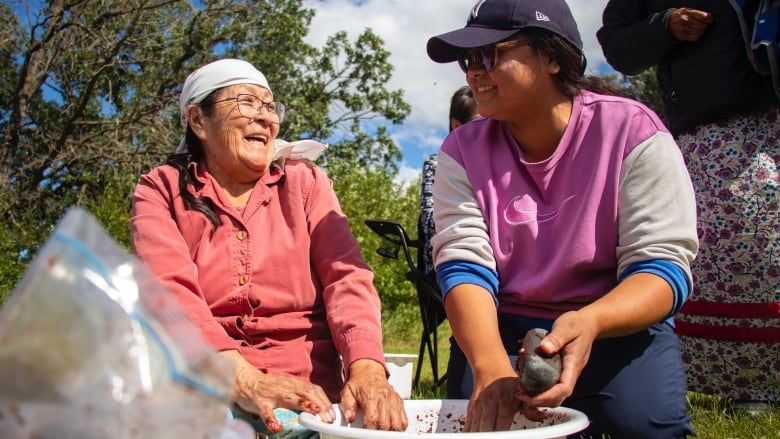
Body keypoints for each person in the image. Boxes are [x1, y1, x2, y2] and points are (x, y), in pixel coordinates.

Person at [425, 0, 699, 437]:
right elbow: (463, 264)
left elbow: (662, 265)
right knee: (476, 427)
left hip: (615, 324)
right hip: (504, 327)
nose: (474, 71)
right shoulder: (461, 152)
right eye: (467, 59)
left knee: (646, 426)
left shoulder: (631, 132)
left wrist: (591, 322)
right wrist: (492, 366)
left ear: (551, 56)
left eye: (491, 54)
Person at [130, 58, 408, 437]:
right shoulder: (160, 189)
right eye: (247, 102)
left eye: (270, 106)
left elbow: (347, 279)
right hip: (204, 388)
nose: (265, 118)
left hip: (310, 393)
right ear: (198, 120)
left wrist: (366, 369)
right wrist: (244, 380)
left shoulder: (305, 182)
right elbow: (168, 291)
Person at [598, 1, 780, 413]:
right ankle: (751, 383)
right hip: (713, 126)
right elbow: (618, 45)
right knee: (738, 256)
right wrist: (664, 26)